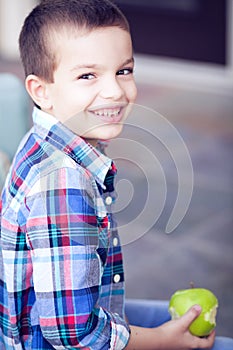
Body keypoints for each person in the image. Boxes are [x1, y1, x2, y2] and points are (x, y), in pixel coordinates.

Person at [0, 0, 233, 349]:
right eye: (87, 75)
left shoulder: (50, 141)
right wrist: (161, 341)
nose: (115, 91)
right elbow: (72, 334)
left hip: (67, 321)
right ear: (41, 91)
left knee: (173, 320)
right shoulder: (62, 182)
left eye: (123, 70)